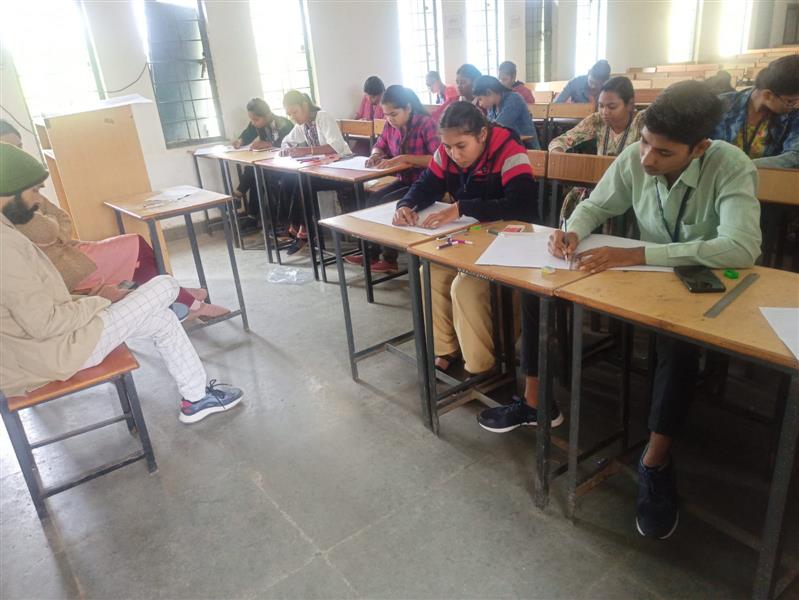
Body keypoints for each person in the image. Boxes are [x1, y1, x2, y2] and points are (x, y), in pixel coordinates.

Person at [478, 81, 762, 541]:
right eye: (645, 142)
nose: (646, 159)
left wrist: (640, 254)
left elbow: (741, 246)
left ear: (700, 147)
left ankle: (656, 459)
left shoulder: (730, 165)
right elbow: (597, 204)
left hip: (700, 284)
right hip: (643, 276)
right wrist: (572, 230)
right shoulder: (636, 155)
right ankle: (535, 402)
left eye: (663, 153)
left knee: (677, 343)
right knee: (537, 292)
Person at [0, 143, 243, 424]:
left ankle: (196, 399)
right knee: (165, 285)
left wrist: (93, 299)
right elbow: (45, 324)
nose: (38, 201)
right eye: (34, 191)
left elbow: (40, 307)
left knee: (162, 319)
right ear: (9, 190)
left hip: (53, 344)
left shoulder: (7, 233)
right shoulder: (5, 246)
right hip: (57, 353)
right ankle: (194, 306)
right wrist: (100, 301)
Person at [393, 102, 538, 375]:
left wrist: (463, 207)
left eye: (461, 146)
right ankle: (447, 348)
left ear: (482, 134)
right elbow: (426, 184)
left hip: (510, 241)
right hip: (472, 237)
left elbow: (523, 206)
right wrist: (406, 204)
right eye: (448, 147)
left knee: (466, 286)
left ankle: (482, 366)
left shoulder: (509, 149)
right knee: (430, 273)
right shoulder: (447, 151)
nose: (454, 154)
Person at [15, 194, 230, 321]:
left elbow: (63, 219)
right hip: (63, 267)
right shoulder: (10, 201)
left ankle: (178, 297)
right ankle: (188, 302)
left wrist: (56, 232)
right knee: (136, 245)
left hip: (68, 251)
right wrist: (56, 231)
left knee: (137, 253)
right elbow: (47, 231)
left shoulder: (23, 191)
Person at [344, 86, 441, 273]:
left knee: (387, 203)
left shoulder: (425, 124)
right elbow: (379, 145)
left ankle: (390, 259)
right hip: (405, 180)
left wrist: (404, 158)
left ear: (408, 108)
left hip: (427, 183)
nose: (389, 119)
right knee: (372, 200)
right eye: (386, 115)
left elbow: (438, 159)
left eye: (394, 114)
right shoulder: (390, 125)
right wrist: (375, 154)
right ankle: (371, 254)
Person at [548, 76, 645, 218]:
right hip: (600, 184)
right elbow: (560, 141)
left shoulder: (641, 122)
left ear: (630, 104)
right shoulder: (597, 120)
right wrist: (559, 154)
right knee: (575, 197)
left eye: (612, 107)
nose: (605, 112)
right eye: (601, 105)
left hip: (631, 188)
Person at [281, 91, 353, 254]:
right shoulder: (302, 125)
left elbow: (336, 146)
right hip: (323, 169)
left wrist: (307, 150)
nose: (293, 117)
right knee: (289, 179)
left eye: (295, 112)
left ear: (305, 105)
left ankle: (304, 229)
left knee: (304, 181)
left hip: (342, 168)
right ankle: (296, 226)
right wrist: (287, 149)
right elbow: (286, 141)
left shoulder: (323, 117)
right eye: (289, 114)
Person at [713, 54, 799, 169]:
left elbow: (795, 156)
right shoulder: (720, 105)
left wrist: (740, 168)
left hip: (767, 179)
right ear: (768, 95)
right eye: (790, 101)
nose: (796, 106)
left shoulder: (794, 115)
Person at [231, 98, 294, 224]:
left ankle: (239, 196)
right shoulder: (258, 124)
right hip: (269, 164)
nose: (253, 123)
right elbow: (248, 133)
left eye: (255, 119)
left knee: (254, 171)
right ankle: (251, 215)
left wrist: (269, 144)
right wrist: (240, 141)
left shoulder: (284, 124)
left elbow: (289, 144)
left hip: (286, 166)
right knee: (255, 172)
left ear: (267, 115)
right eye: (251, 119)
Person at [474, 75, 540, 149]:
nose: (480, 104)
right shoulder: (493, 106)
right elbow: (488, 126)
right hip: (509, 145)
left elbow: (497, 127)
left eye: (480, 99)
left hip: (527, 148)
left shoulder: (514, 99)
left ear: (489, 92)